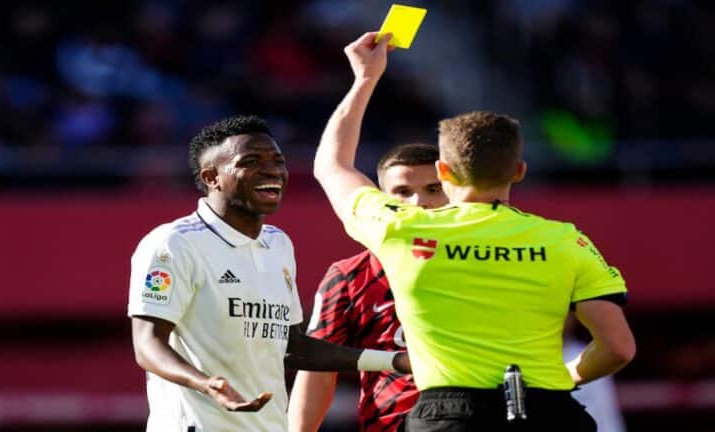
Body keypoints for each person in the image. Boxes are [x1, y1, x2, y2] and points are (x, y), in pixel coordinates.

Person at [312, 32, 636, 431]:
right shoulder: (567, 239)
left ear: (443, 172)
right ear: (519, 171)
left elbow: (333, 166)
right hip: (550, 413)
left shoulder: (401, 227)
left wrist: (365, 79)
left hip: (450, 416)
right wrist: (561, 380)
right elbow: (617, 347)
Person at [128, 115, 409, 432]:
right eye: (252, 161)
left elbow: (293, 348)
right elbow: (147, 346)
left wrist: (392, 361)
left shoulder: (278, 243)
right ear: (212, 177)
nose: (273, 170)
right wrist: (206, 384)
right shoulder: (173, 243)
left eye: (278, 161)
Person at [288, 143, 449, 432]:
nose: (418, 202)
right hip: (392, 424)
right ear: (381, 200)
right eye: (402, 192)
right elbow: (318, 369)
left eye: (433, 189)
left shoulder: (485, 260)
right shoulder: (351, 276)